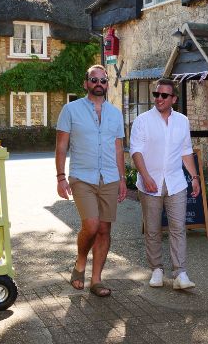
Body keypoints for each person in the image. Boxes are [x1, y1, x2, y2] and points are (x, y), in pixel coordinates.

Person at [55, 64, 127, 297]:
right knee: (92, 225)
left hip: (109, 177)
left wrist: (123, 178)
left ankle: (96, 280)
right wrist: (60, 177)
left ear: (107, 84)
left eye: (103, 81)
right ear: (86, 83)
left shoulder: (115, 113)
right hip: (82, 177)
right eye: (94, 80)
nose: (99, 84)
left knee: (105, 230)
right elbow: (61, 146)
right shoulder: (70, 110)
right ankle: (80, 262)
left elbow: (118, 149)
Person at [130, 79, 200, 290]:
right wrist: (146, 176)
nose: (159, 99)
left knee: (178, 228)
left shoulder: (182, 121)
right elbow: (136, 151)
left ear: (174, 99)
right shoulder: (142, 120)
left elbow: (186, 151)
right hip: (150, 184)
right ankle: (157, 269)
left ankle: (180, 274)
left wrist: (195, 177)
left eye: (163, 95)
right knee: (152, 229)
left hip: (176, 182)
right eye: (156, 94)